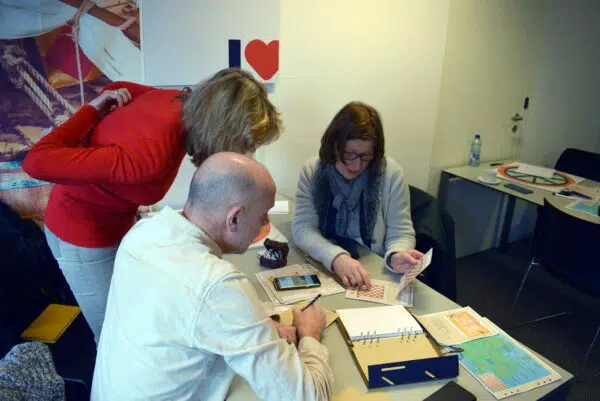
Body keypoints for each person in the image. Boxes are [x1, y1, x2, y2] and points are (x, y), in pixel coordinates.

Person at [22, 68, 282, 343]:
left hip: (113, 223)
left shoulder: (177, 100)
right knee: (115, 336)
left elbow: (119, 88)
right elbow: (36, 161)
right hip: (82, 234)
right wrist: (91, 110)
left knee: (135, 315)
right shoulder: (150, 155)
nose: (243, 153)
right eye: (243, 145)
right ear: (222, 129)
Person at [91, 153, 333, 401]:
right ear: (234, 218)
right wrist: (310, 336)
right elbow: (307, 397)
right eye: (262, 216)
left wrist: (261, 327)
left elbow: (181, 314)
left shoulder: (144, 231)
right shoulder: (217, 283)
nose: (266, 224)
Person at [292, 102, 423, 289]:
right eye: (350, 154)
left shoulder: (391, 174)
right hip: (325, 262)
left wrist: (396, 254)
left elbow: (401, 232)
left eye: (366, 156)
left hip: (372, 268)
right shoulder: (312, 171)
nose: (357, 165)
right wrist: (336, 257)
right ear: (333, 146)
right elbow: (303, 228)